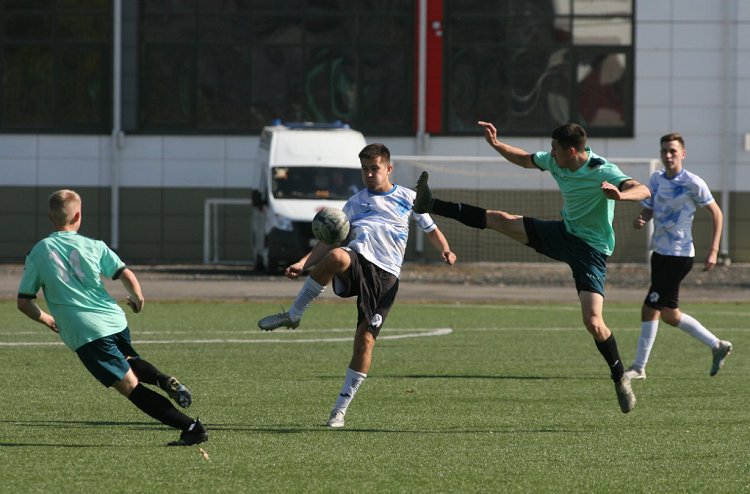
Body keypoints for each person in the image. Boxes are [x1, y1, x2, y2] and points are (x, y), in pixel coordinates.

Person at [413, 121, 651, 414]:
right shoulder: (556, 161)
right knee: (500, 218)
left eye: (554, 149)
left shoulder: (602, 170)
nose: (550, 154)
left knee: (593, 322)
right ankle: (431, 204)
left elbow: (643, 190)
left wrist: (621, 195)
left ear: (572, 151)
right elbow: (525, 159)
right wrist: (497, 145)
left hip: (591, 252)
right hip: (563, 233)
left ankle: (620, 378)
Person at [258, 143, 456, 427]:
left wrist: (445, 250)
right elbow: (331, 238)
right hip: (357, 260)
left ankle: (339, 410)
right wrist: (304, 263)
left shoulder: (407, 197)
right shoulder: (354, 202)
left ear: (388, 169)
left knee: (364, 342)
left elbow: (431, 229)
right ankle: (294, 315)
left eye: (374, 169)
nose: (369, 174)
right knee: (338, 255)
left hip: (386, 276)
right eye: (364, 169)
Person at [17, 190, 208, 446]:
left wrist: (48, 319)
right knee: (128, 361)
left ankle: (193, 428)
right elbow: (125, 274)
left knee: (130, 386)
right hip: (114, 319)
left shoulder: (38, 251)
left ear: (50, 217)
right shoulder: (95, 245)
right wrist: (138, 298)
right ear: (78, 215)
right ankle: (163, 379)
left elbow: (24, 302)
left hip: (84, 330)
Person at [624, 134, 730, 380]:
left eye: (673, 151)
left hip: (679, 256)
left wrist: (714, 250)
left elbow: (717, 213)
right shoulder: (657, 179)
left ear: (683, 154)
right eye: (664, 151)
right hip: (659, 253)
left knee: (649, 308)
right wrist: (642, 218)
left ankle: (638, 368)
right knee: (670, 314)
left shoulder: (693, 182)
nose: (668, 155)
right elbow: (651, 208)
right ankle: (717, 346)